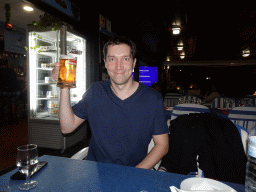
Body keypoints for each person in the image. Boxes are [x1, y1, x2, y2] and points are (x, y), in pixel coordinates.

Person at [52, 36, 169, 169]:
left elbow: (162, 145)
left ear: (134, 63)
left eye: (125, 59)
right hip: (95, 172)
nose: (118, 66)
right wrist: (64, 86)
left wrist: (135, 173)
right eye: (112, 59)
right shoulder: (95, 91)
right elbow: (67, 127)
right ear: (105, 63)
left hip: (134, 172)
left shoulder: (152, 98)